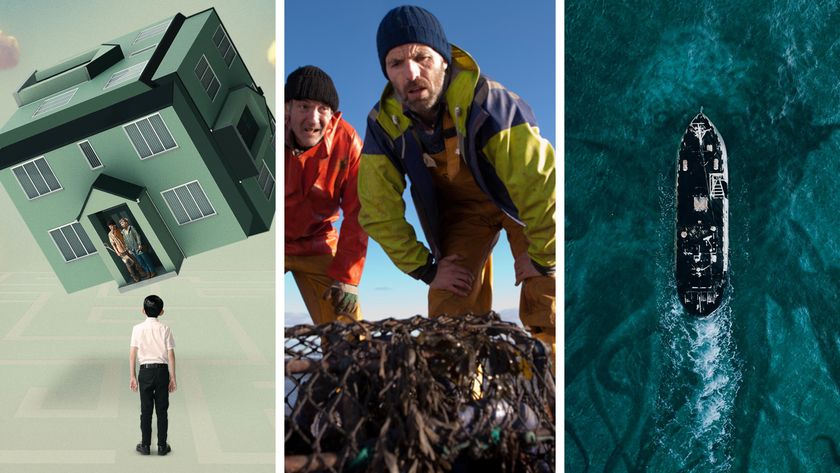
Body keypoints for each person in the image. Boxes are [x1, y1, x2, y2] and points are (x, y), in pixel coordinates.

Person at [358, 6, 556, 353]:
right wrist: (426, 269)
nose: (412, 73)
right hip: (463, 217)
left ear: (445, 60)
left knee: (546, 290)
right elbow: (378, 209)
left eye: (423, 58)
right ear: (386, 73)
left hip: (518, 205)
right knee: (448, 302)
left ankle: (550, 390)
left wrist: (544, 258)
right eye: (396, 64)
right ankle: (463, 398)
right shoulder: (382, 125)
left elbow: (541, 185)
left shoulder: (490, 102)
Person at [284, 65, 369, 325]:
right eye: (304, 107)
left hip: (317, 242)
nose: (313, 119)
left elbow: (359, 211)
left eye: (323, 109)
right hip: (269, 243)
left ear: (332, 115)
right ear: (287, 107)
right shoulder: (265, 128)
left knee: (347, 327)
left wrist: (348, 278)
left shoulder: (349, 142)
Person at [129, 295, 176, 456]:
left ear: (143, 310)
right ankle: (162, 446)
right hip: (162, 371)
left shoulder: (137, 329)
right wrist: (173, 377)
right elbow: (170, 355)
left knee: (146, 410)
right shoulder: (165, 329)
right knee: (162, 410)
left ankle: (145, 445)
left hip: (145, 371)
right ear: (162, 312)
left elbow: (132, 354)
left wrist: (133, 376)